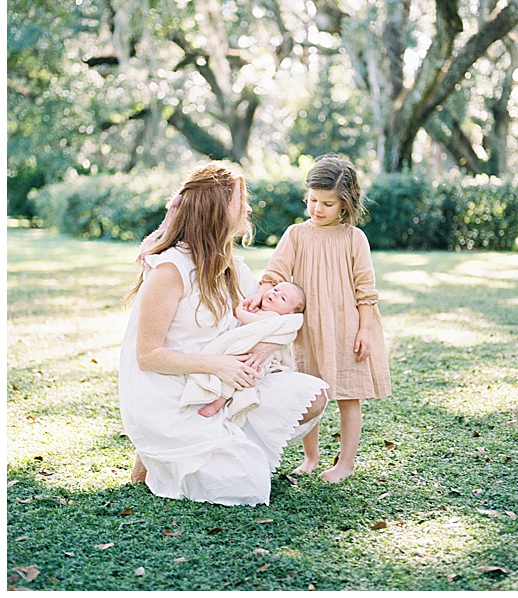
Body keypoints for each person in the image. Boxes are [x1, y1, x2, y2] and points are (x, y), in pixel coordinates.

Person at [119, 163, 328, 506]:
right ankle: (161, 451)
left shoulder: (232, 265)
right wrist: (216, 365)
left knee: (312, 397)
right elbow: (148, 355)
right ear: (217, 208)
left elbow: (275, 319)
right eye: (240, 200)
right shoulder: (170, 270)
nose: (247, 208)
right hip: (172, 395)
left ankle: (228, 439)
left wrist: (264, 347)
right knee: (244, 487)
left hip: (224, 387)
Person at [245, 154, 391, 484]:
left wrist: (365, 330)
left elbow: (365, 290)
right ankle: (311, 458)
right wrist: (262, 290)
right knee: (309, 393)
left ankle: (345, 464)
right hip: (307, 330)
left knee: (347, 395)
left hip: (346, 329)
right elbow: (276, 271)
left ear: (345, 205)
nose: (317, 209)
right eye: (312, 200)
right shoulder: (296, 234)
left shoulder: (355, 239)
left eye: (327, 203)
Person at [185, 282, 307, 419]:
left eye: (283, 298)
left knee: (235, 380)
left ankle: (217, 403)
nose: (275, 294)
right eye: (276, 289)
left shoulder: (273, 316)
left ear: (289, 313)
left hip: (250, 356)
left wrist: (239, 311)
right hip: (244, 348)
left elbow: (253, 321)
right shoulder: (263, 311)